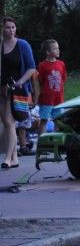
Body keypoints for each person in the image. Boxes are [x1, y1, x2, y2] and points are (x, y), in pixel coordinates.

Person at [1, 16, 36, 168]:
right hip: (2, 89)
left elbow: (31, 67)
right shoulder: (0, 45)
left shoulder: (22, 45)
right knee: (7, 123)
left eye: (13, 27)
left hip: (16, 89)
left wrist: (21, 82)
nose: (11, 30)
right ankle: (14, 158)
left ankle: (7, 159)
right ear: (2, 29)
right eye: (8, 27)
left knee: (9, 122)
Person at [34, 39, 67, 136]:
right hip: (46, 99)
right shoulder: (42, 65)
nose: (58, 50)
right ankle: (43, 141)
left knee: (58, 120)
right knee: (44, 120)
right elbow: (39, 81)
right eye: (55, 49)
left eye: (58, 48)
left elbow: (63, 79)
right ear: (48, 52)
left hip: (59, 99)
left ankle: (55, 141)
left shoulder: (61, 64)